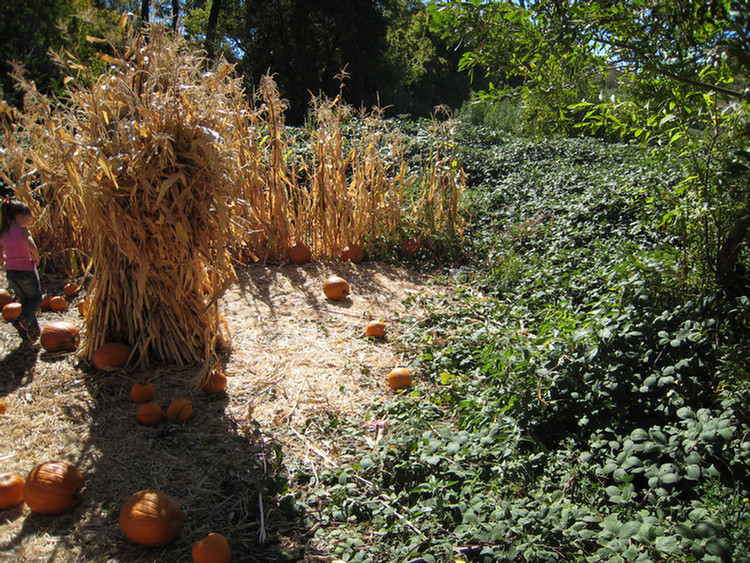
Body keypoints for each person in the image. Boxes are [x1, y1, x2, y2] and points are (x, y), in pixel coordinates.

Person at [0, 198, 42, 341]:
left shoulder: (3, 233)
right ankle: (23, 320)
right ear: (19, 217)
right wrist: (36, 257)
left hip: (11, 273)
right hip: (25, 270)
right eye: (27, 216)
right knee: (36, 298)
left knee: (25, 301)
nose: (30, 219)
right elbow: (32, 246)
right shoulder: (23, 231)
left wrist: (5, 259)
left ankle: (33, 333)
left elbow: (0, 254)